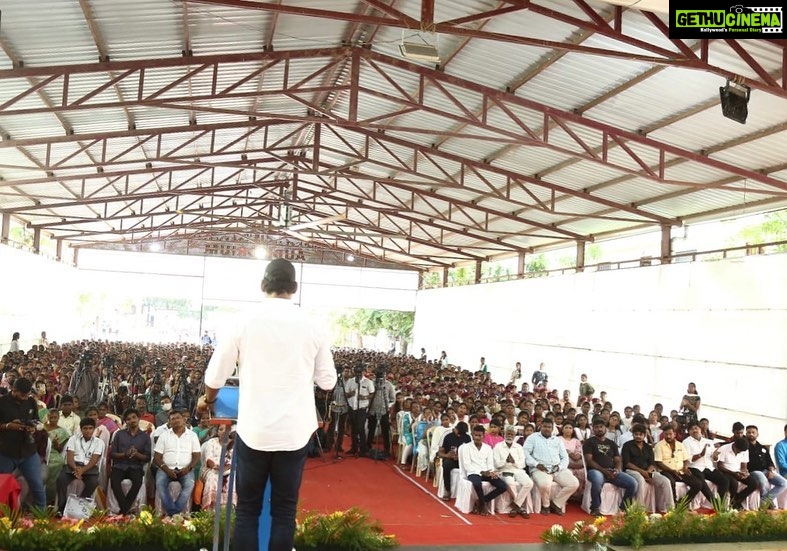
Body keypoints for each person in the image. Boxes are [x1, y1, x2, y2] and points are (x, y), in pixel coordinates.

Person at [199, 258, 337, 551]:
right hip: (294, 433)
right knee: (284, 512)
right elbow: (328, 382)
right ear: (294, 288)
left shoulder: (243, 320)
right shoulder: (314, 324)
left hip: (255, 431)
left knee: (247, 510)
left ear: (263, 286)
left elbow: (215, 375)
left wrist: (207, 400)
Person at [0, 378, 46, 509]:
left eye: (27, 395)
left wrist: (33, 427)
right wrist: (8, 426)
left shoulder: (31, 402)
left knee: (37, 484)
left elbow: (36, 421)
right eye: (22, 395)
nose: (25, 398)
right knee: (2, 484)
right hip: (6, 452)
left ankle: (41, 516)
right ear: (14, 390)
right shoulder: (2, 402)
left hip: (28, 451)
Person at [523, 418, 579, 515]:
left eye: (549, 427)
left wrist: (560, 467)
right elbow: (525, 453)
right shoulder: (533, 437)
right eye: (545, 426)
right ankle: (546, 506)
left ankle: (556, 504)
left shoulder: (557, 440)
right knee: (545, 484)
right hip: (540, 469)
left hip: (557, 469)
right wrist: (536, 464)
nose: (547, 429)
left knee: (574, 483)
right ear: (540, 426)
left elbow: (564, 457)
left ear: (552, 428)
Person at [583, 418, 638, 516]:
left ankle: (623, 508)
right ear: (593, 429)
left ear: (605, 428)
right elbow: (589, 461)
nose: (599, 429)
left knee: (633, 483)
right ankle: (595, 508)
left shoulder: (611, 443)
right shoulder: (589, 442)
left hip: (611, 471)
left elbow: (617, 459)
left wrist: (616, 470)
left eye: (601, 427)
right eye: (596, 427)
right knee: (597, 480)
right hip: (595, 471)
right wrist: (604, 471)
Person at [153, 408, 201, 516]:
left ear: (184, 420)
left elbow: (197, 456)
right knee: (160, 484)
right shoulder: (164, 436)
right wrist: (167, 470)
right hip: (166, 469)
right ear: (169, 422)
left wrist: (188, 468)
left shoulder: (192, 436)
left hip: (186, 469)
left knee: (189, 485)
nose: (175, 420)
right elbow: (157, 457)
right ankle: (174, 513)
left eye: (178, 418)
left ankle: (173, 511)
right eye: (172, 419)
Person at [654, 425, 714, 507]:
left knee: (698, 484)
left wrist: (685, 467)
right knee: (671, 482)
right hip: (666, 471)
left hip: (681, 470)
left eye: (670, 434)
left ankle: (682, 504)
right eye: (666, 434)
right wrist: (672, 471)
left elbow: (686, 459)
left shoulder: (680, 445)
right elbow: (659, 462)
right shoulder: (659, 446)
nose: (668, 436)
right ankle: (673, 505)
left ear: (674, 434)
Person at [56, 417, 105, 515]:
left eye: (90, 428)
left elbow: (94, 460)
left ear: (94, 429)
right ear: (81, 429)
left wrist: (82, 470)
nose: (88, 431)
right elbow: (69, 458)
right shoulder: (73, 439)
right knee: (61, 480)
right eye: (85, 428)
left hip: (89, 468)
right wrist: (76, 469)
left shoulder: (98, 442)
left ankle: (79, 505)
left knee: (93, 482)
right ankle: (62, 508)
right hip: (73, 466)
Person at [621, 423, 673, 513]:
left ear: (644, 435)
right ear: (633, 434)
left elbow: (652, 463)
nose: (638, 436)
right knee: (641, 480)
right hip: (631, 471)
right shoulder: (627, 445)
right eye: (636, 434)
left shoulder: (648, 447)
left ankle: (671, 509)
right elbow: (627, 463)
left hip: (648, 471)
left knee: (666, 481)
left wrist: (648, 472)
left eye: (640, 434)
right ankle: (639, 510)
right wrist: (643, 472)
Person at [459, 425, 509, 515]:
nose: (477, 437)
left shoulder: (488, 448)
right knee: (477, 483)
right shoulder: (466, 447)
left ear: (483, 436)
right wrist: (481, 472)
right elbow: (467, 465)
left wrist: (490, 472)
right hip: (473, 472)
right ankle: (483, 505)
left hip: (487, 472)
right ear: (472, 435)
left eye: (480, 435)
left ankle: (482, 501)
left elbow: (490, 463)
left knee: (503, 486)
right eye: (476, 435)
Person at [109, 408, 151, 515]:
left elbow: (147, 458)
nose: (132, 420)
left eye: (134, 417)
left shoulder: (145, 437)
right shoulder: (119, 434)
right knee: (114, 482)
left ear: (138, 418)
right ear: (125, 422)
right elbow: (112, 454)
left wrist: (137, 454)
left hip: (135, 466)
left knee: (137, 482)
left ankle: (124, 509)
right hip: (120, 465)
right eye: (128, 419)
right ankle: (127, 509)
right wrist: (125, 454)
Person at [684, 421, 729, 503]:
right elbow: (688, 458)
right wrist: (700, 455)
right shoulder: (686, 442)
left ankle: (721, 503)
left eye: (696, 428)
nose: (694, 431)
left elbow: (714, 458)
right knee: (702, 482)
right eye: (691, 429)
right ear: (689, 431)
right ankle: (715, 504)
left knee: (724, 480)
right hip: (695, 467)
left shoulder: (709, 441)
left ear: (700, 429)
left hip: (709, 467)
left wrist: (715, 457)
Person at [493, 425, 533, 518]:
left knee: (529, 483)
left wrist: (514, 462)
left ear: (515, 435)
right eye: (508, 434)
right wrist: (505, 461)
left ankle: (516, 505)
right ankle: (520, 507)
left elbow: (523, 463)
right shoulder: (498, 447)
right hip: (504, 470)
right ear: (504, 434)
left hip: (517, 470)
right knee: (510, 483)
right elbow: (496, 464)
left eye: (512, 434)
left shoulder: (518, 447)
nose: (509, 436)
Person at [745, 425, 787, 508]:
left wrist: (771, 471)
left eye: (753, 432)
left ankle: (765, 500)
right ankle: (768, 504)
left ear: (757, 434)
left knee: (783, 483)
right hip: (753, 472)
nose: (751, 434)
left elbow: (770, 462)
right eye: (749, 432)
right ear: (746, 434)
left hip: (766, 471)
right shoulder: (744, 447)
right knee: (763, 480)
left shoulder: (763, 448)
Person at [716, 437, 758, 510]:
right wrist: (734, 473)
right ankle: (734, 503)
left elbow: (744, 466)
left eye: (742, 451)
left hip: (738, 472)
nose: (740, 452)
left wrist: (744, 473)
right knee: (734, 483)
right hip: (726, 471)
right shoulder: (724, 449)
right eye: (739, 451)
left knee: (754, 484)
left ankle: (736, 500)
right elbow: (720, 466)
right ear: (734, 445)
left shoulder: (744, 450)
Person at [345, 363, 374, 456]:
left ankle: (363, 448)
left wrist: (365, 397)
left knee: (360, 427)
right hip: (352, 407)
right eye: (356, 372)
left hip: (362, 407)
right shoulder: (350, 381)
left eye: (359, 372)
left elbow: (372, 394)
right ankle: (354, 447)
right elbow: (346, 394)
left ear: (363, 372)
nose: (358, 374)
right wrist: (351, 394)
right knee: (353, 428)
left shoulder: (368, 382)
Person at [438, 421, 470, 501]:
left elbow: (470, 453)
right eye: (458, 434)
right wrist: (447, 455)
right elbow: (439, 453)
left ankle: (467, 492)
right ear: (455, 429)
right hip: (450, 460)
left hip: (463, 460)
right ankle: (447, 490)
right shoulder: (447, 436)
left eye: (461, 435)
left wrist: (460, 457)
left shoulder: (468, 437)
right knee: (446, 465)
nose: (459, 436)